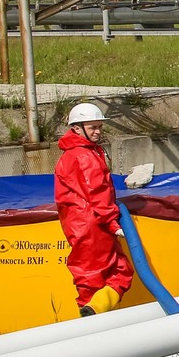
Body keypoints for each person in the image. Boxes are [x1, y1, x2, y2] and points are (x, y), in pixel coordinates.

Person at [53, 101, 133, 316]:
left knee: (120, 272)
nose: (98, 131)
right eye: (93, 127)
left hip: (83, 223)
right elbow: (97, 191)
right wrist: (111, 222)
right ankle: (90, 319)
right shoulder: (83, 156)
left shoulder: (79, 153)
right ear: (77, 129)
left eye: (99, 126)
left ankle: (94, 310)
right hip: (91, 225)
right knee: (93, 275)